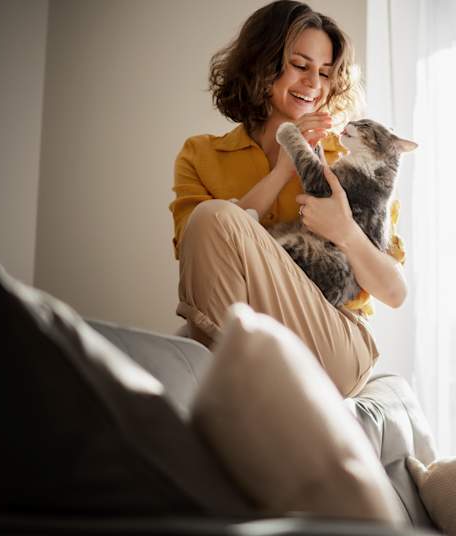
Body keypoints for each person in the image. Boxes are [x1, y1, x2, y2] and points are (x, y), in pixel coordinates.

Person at [168, 0, 407, 398]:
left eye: (326, 72)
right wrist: (282, 170)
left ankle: (221, 385)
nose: (314, 82)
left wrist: (346, 231)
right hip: (249, 330)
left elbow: (395, 294)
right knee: (213, 219)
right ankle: (235, 399)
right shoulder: (200, 154)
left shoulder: (352, 163)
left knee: (218, 218)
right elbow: (197, 253)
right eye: (300, 65)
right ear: (262, 64)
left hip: (333, 339)